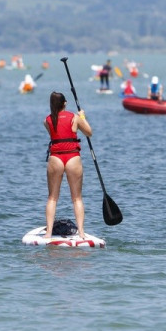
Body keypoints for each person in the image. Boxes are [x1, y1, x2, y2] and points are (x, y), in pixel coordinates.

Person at [44, 91, 93, 239]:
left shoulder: (47, 120)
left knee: (52, 198)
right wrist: (82, 117)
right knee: (77, 198)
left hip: (56, 158)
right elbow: (89, 132)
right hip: (72, 157)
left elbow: (55, 133)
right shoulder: (74, 118)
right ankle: (81, 233)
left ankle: (48, 233)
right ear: (65, 103)